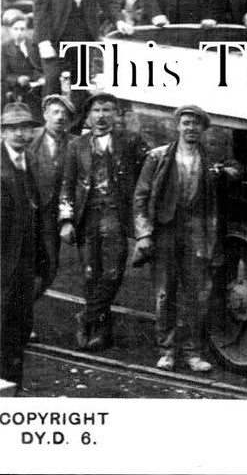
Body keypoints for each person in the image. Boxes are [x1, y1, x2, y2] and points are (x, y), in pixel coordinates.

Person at [132, 105, 242, 373]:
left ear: (203, 129)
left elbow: (239, 170)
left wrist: (227, 173)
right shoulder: (158, 157)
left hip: (198, 233)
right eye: (186, 123)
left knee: (198, 295)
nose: (191, 128)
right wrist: (144, 234)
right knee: (164, 293)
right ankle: (167, 351)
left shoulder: (211, 160)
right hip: (166, 232)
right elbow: (140, 197)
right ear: (177, 126)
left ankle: (194, 353)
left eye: (196, 124)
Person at [57, 93, 150, 350]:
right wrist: (66, 220)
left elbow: (153, 165)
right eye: (96, 110)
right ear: (88, 116)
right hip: (87, 217)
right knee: (90, 274)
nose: (102, 115)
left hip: (115, 216)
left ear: (117, 115)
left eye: (108, 110)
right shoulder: (77, 146)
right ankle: (100, 327)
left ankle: (86, 317)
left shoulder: (131, 142)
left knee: (113, 273)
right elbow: (67, 185)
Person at [1, 103, 52, 393]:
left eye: (26, 128)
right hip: (2, 259)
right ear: (3, 132)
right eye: (14, 128)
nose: (21, 134)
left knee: (20, 327)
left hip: (25, 260)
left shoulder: (31, 159)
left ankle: (12, 388)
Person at [26, 94, 77, 298]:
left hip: (52, 216)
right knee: (18, 266)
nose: (60, 117)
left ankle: (23, 310)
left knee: (49, 267)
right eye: (55, 112)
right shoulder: (29, 138)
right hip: (26, 213)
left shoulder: (75, 144)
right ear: (45, 114)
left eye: (65, 113)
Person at [1, 11, 43, 111]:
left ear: (26, 30)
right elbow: (4, 74)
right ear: (10, 30)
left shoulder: (32, 45)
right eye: (16, 29)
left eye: (22, 29)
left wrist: (41, 78)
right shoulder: (5, 47)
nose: (19, 32)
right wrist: (17, 79)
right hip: (15, 88)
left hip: (34, 86)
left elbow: (39, 66)